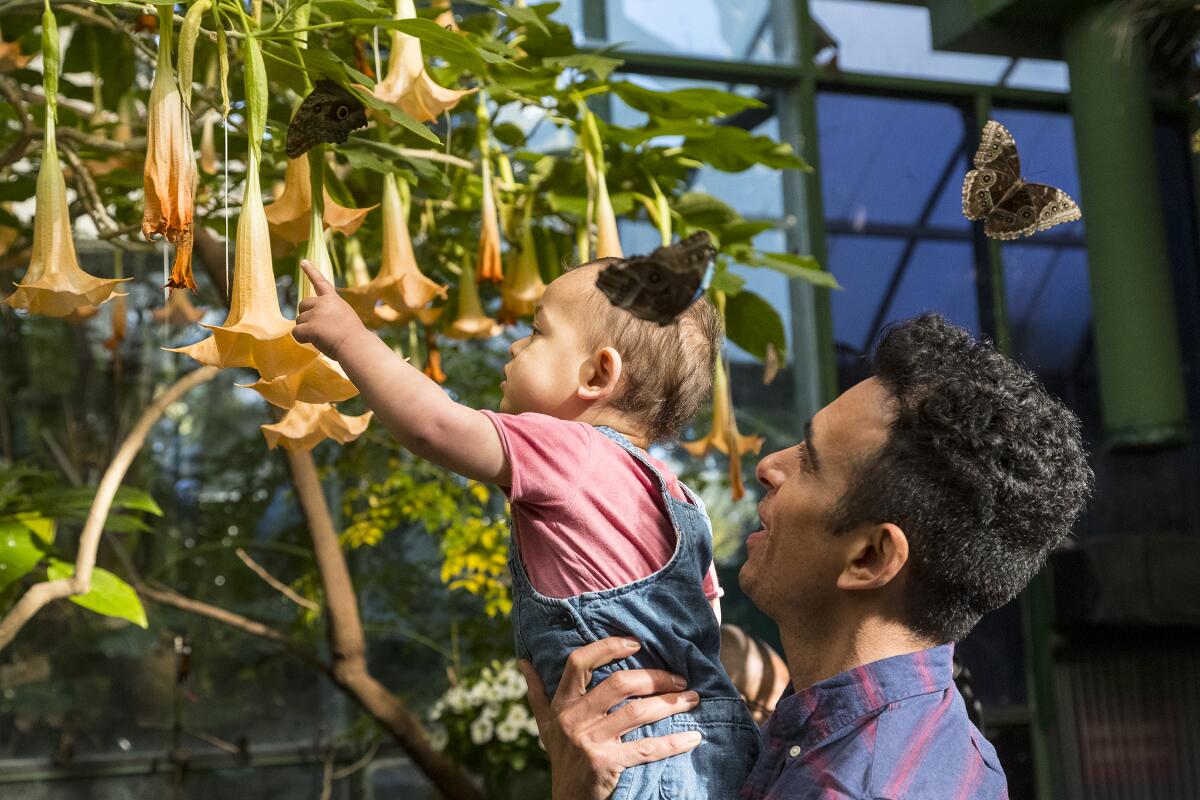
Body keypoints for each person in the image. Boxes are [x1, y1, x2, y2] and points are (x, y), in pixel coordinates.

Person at [519, 313, 1093, 799]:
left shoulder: (852, 785)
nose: (770, 464)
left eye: (810, 462)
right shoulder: (892, 738)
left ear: (869, 558)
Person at [293, 257, 761, 798]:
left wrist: (350, 337)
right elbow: (707, 619)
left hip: (638, 753)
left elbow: (433, 425)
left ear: (597, 375)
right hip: (712, 748)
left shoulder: (569, 449)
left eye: (537, 331)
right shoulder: (679, 497)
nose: (516, 346)